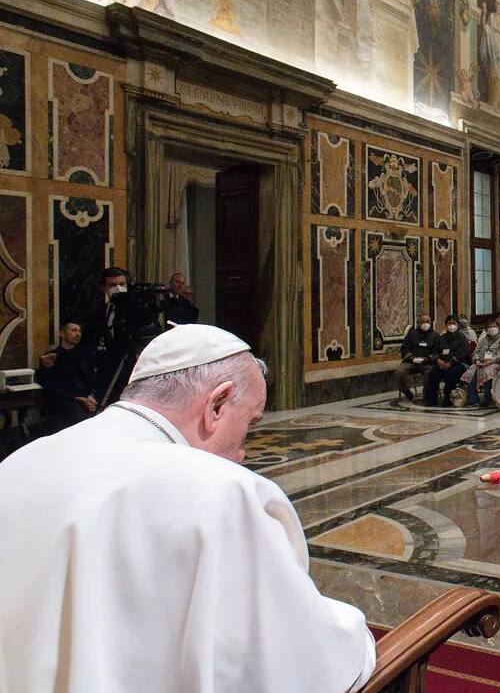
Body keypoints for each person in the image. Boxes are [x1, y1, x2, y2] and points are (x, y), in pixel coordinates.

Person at [0, 324, 376, 691]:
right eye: (250, 423)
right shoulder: (220, 491)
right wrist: (354, 636)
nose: (243, 451)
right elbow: (302, 661)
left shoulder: (21, 461)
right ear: (216, 404)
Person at [77, 266, 133, 404]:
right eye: (113, 285)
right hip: (107, 374)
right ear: (103, 288)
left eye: (122, 284)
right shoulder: (98, 312)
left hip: (131, 373)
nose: (118, 288)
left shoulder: (136, 312)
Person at [34, 322, 96, 435]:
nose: (77, 334)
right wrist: (45, 368)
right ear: (62, 334)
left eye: (79, 331)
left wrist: (91, 396)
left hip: (83, 399)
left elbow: (90, 381)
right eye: (73, 330)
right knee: (80, 419)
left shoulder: (84, 356)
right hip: (62, 400)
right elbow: (49, 386)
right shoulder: (51, 356)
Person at [423, 315, 471, 407]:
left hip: (459, 363)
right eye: (449, 323)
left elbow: (463, 352)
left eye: (454, 323)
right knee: (433, 372)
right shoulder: (442, 338)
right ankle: (432, 399)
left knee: (451, 373)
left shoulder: (462, 337)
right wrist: (438, 360)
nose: (452, 326)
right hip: (442, 363)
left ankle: (447, 398)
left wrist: (451, 362)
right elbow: (435, 351)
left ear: (457, 325)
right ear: (446, 325)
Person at [397, 315, 438, 401]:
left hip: (427, 363)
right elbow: (404, 348)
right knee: (399, 372)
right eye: (423, 322)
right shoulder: (412, 334)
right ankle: (407, 392)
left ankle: (426, 395)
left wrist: (427, 359)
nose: (425, 324)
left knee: (430, 373)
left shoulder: (435, 335)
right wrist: (412, 358)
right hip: (411, 362)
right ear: (418, 323)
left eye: (427, 322)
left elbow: (436, 352)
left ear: (431, 323)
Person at [466, 319, 500, 407]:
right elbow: (476, 351)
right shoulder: (483, 339)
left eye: (494, 326)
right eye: (489, 327)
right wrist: (476, 360)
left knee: (488, 370)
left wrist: (490, 362)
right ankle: (473, 398)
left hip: (495, 363)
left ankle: (487, 398)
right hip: (481, 362)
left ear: (498, 328)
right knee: (472, 370)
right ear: (486, 329)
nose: (492, 328)